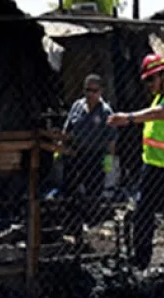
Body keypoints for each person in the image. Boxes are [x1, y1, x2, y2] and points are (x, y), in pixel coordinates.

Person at [108, 54, 164, 272]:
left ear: (163, 76)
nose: (148, 85)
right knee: (143, 212)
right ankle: (142, 260)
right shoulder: (159, 98)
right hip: (152, 167)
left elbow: (159, 114)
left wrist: (129, 118)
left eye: (151, 80)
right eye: (146, 81)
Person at [59, 74, 118, 243]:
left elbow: (111, 142)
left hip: (95, 157)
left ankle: (89, 227)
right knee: (70, 193)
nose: (90, 94)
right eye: (87, 90)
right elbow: (67, 130)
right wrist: (63, 149)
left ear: (101, 92)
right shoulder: (77, 106)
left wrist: (108, 166)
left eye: (94, 91)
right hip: (76, 155)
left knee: (92, 195)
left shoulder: (106, 112)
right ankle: (72, 228)